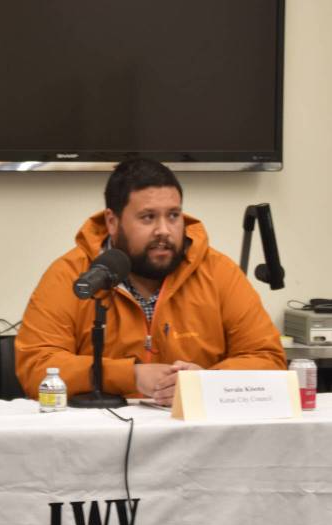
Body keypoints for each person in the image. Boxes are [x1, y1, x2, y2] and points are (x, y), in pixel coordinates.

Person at [16, 158, 285, 405]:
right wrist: (130, 375)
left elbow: (269, 360)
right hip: (100, 433)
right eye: (148, 217)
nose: (164, 231)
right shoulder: (73, 274)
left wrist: (207, 382)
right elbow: (36, 367)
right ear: (112, 221)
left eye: (173, 215)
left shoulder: (218, 272)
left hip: (194, 431)